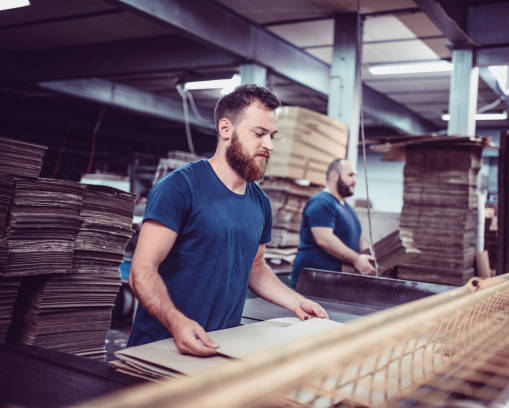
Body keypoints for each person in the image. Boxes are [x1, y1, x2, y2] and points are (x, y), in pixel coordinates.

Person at [128, 84, 328, 356]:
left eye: (272, 136)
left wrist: (295, 301)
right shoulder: (180, 187)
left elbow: (255, 268)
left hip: (221, 346)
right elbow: (142, 270)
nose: (268, 145)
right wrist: (176, 322)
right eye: (259, 134)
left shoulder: (260, 203)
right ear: (226, 129)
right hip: (162, 347)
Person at [291, 159, 376, 287]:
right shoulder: (321, 202)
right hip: (314, 280)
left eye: (356, 176)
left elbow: (358, 238)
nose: (355, 181)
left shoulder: (347, 208)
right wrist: (357, 259)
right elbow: (324, 239)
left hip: (334, 280)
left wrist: (371, 256)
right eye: (350, 175)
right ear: (334, 176)